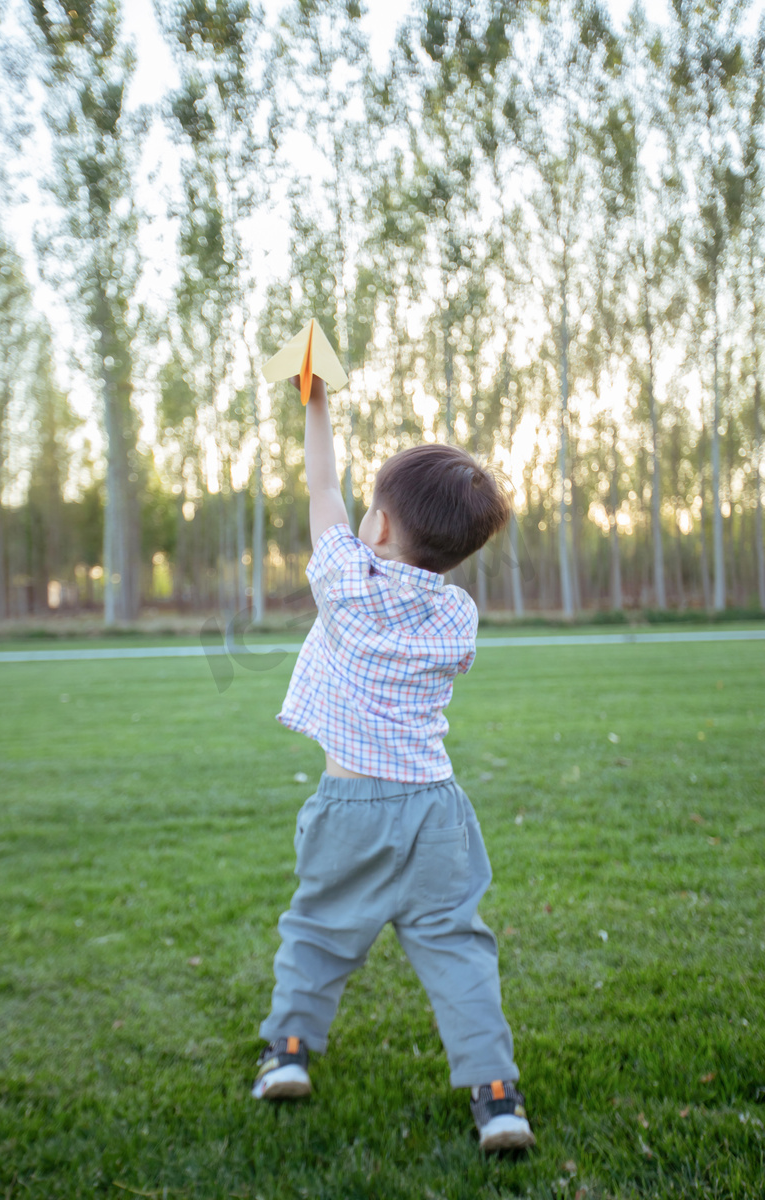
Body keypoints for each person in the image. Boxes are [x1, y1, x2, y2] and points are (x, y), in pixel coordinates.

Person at [252, 372, 535, 1153]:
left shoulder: (346, 584)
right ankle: (498, 1097)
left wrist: (317, 403)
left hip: (352, 808)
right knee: (456, 947)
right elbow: (403, 550)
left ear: (375, 529)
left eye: (370, 511)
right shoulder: (456, 613)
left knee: (317, 932)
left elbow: (319, 487)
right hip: (438, 812)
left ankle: (289, 1054)